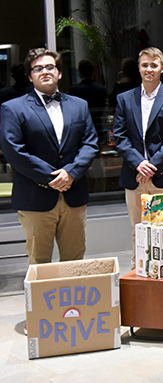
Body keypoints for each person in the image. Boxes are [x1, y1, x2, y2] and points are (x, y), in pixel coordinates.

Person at [0, 48, 98, 264]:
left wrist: (70, 173)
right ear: (30, 76)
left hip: (74, 196)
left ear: (59, 73)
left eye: (49, 67)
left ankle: (74, 300)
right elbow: (14, 151)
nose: (44, 71)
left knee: (74, 263)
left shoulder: (79, 105)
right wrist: (53, 177)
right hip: (36, 197)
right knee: (39, 265)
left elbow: (90, 143)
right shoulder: (13, 109)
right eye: (37, 68)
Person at [113, 47, 163, 267]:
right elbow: (120, 136)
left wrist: (151, 166)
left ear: (161, 69)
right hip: (134, 178)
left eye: (153, 65)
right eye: (145, 65)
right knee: (138, 231)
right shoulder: (124, 99)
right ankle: (140, 272)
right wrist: (138, 164)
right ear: (138, 68)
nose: (149, 70)